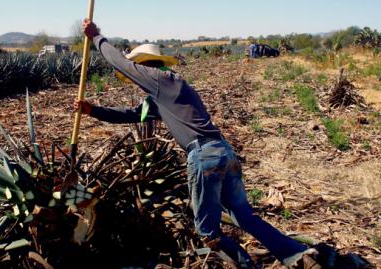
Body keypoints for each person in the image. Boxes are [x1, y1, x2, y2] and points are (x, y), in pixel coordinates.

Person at [75, 19, 321, 269]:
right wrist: (93, 110)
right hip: (224, 152)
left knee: (207, 232)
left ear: (145, 66)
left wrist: (96, 37)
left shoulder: (161, 80)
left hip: (204, 156)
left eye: (138, 69)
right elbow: (130, 114)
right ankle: (298, 256)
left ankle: (246, 265)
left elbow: (121, 63)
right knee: (245, 217)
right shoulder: (163, 95)